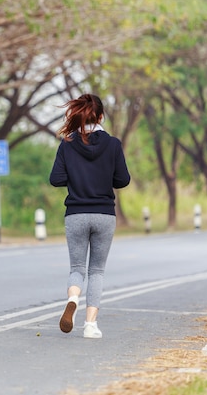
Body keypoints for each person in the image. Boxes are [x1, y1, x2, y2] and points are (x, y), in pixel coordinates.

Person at [49, 93, 130, 339]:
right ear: (101, 116)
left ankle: (73, 298)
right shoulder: (113, 144)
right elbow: (123, 180)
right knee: (97, 271)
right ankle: (90, 326)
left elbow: (56, 179)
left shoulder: (68, 144)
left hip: (76, 214)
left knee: (77, 268)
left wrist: (76, 173)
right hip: (104, 214)